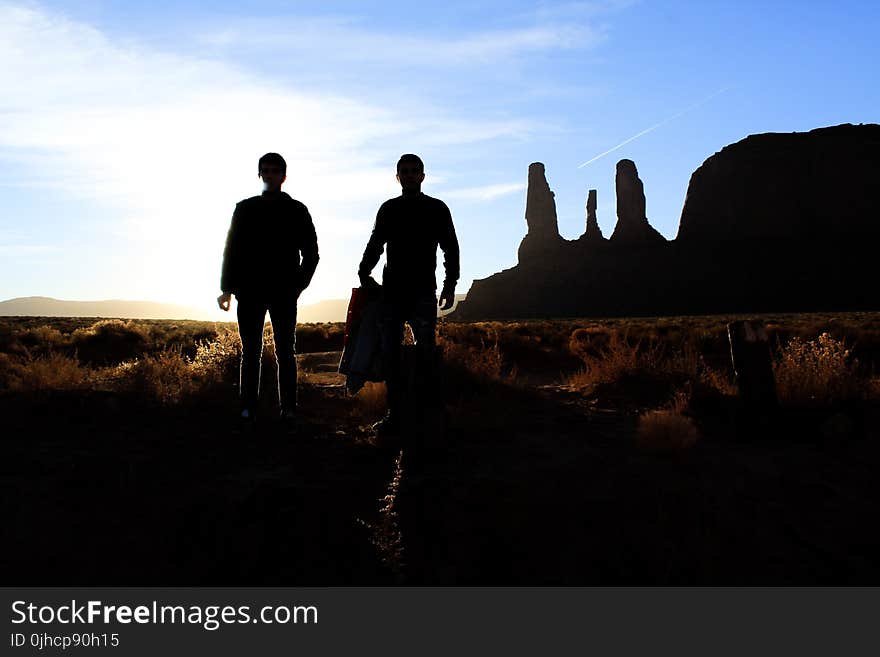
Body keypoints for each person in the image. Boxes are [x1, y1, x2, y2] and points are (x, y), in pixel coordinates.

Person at [357, 153, 460, 441]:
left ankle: (428, 413)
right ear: (398, 176)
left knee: (426, 352)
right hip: (392, 293)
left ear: (422, 176)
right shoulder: (389, 209)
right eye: (405, 171)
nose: (410, 175)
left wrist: (450, 284)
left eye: (415, 171)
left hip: (424, 292)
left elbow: (450, 248)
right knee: (390, 354)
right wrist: (364, 272)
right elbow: (376, 242)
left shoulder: (437, 208)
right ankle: (395, 415)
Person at [217, 152, 319, 428]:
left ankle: (288, 409)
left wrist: (297, 286)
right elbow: (232, 250)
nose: (270, 175)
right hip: (249, 291)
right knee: (251, 350)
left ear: (283, 176)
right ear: (259, 174)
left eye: (275, 171)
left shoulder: (297, 210)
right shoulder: (245, 209)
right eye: (266, 170)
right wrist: (226, 288)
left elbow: (311, 254)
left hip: (283, 291)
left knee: (285, 350)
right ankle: (248, 408)